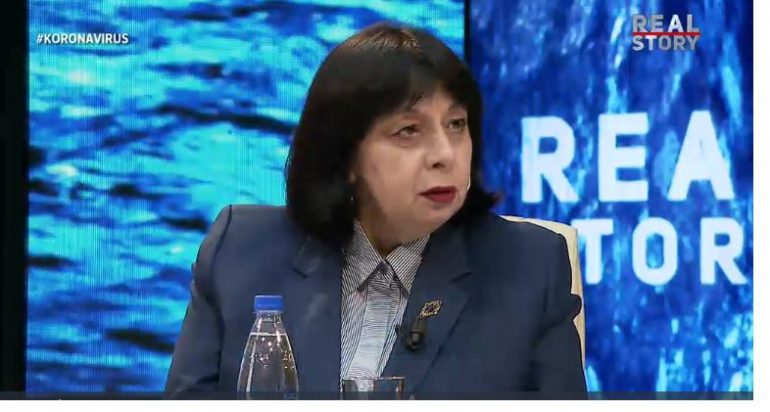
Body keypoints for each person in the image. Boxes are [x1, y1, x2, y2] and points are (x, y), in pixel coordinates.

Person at [165, 22, 586, 400]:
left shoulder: (529, 267)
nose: (445, 154)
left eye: (456, 125)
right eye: (409, 131)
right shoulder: (240, 251)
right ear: (346, 156)